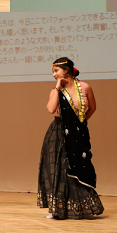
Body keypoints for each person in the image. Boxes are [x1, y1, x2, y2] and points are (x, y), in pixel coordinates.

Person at [37, 57, 104, 219]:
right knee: (60, 169)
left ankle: (80, 207)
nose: (53, 74)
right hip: (59, 132)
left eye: (56, 71)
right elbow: (51, 109)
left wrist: (79, 124)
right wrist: (57, 87)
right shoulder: (56, 90)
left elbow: (92, 108)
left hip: (78, 133)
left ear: (66, 70)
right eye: (53, 72)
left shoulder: (85, 87)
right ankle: (57, 209)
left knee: (79, 167)